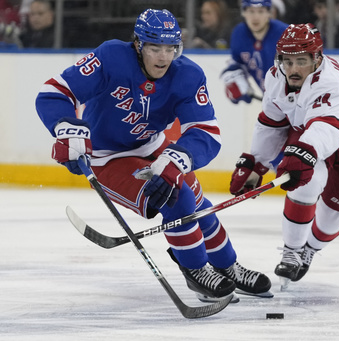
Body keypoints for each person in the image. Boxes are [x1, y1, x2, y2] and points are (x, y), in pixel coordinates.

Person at [35, 8, 271, 302]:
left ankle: (227, 267)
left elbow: (205, 132)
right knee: (177, 198)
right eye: (154, 47)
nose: (163, 56)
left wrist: (176, 160)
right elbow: (55, 92)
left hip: (152, 145)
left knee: (199, 203)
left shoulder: (187, 75)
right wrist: (65, 126)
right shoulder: (110, 58)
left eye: (171, 47)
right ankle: (196, 272)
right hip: (107, 157)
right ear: (138, 44)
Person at [229, 23, 339, 288]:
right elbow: (271, 123)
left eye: (301, 62)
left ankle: (310, 250)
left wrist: (302, 155)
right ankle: (292, 251)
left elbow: (326, 129)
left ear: (317, 59)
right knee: (305, 182)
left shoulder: (332, 84)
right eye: (288, 61)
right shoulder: (275, 77)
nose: (293, 70)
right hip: (315, 126)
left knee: (332, 218)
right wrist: (257, 164)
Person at [220, 0, 288, 104]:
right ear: (243, 13)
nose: (255, 17)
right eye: (251, 11)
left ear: (269, 13)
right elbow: (237, 64)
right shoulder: (239, 34)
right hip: (271, 104)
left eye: (261, 11)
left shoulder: (285, 34)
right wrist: (236, 81)